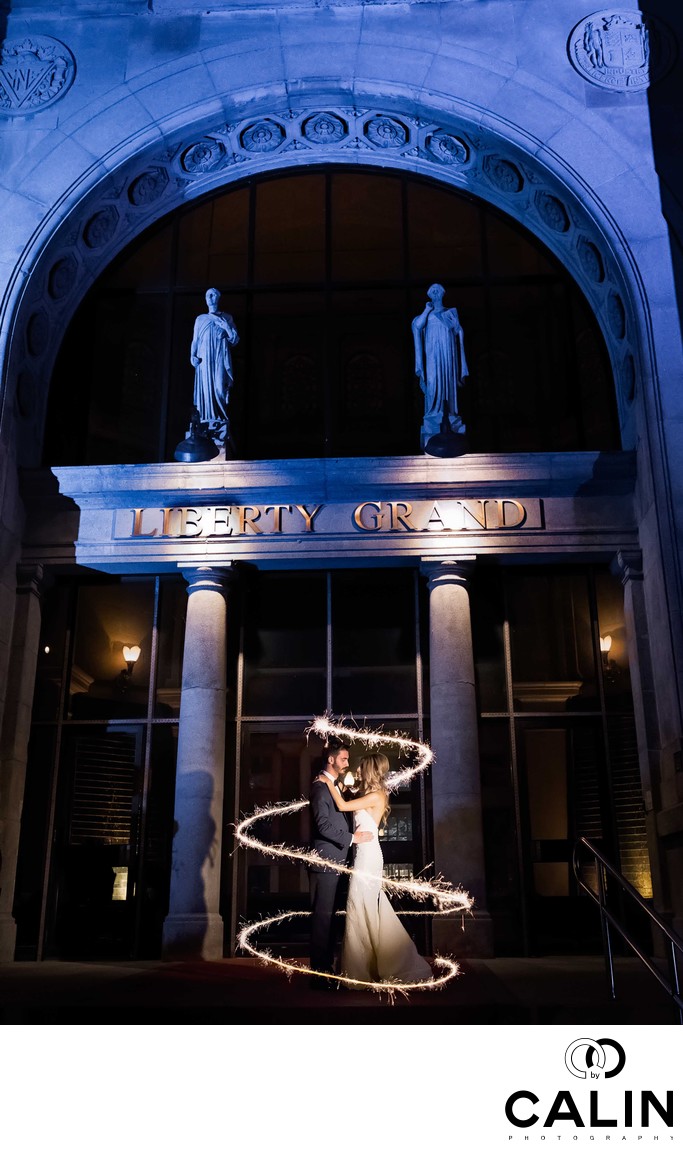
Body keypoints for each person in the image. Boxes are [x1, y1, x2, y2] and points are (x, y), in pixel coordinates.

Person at [321, 752, 432, 985]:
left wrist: (328, 783)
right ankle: (367, 966)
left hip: (368, 856)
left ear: (370, 770)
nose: (358, 771)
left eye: (362, 768)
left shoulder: (376, 795)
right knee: (363, 906)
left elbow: (342, 805)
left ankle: (368, 969)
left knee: (361, 904)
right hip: (364, 853)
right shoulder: (370, 794)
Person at [308, 738, 373, 986]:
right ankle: (319, 974)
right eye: (344, 759)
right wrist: (352, 838)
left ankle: (329, 968)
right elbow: (323, 825)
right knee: (322, 918)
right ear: (331, 759)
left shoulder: (334, 786)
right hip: (325, 863)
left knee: (333, 917)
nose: (347, 763)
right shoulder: (319, 787)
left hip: (340, 861)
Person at [412, 283, 468, 449]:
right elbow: (417, 326)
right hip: (432, 353)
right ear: (429, 295)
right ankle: (433, 412)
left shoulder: (450, 312)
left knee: (447, 380)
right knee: (433, 381)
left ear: (443, 294)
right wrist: (426, 310)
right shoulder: (427, 314)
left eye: (438, 291)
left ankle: (449, 412)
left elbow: (459, 331)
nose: (435, 294)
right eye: (432, 291)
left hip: (447, 353)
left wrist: (457, 328)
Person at [190, 287, 239, 446]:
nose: (210, 298)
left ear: (218, 298)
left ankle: (220, 420)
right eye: (207, 295)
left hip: (219, 357)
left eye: (213, 295)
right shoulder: (200, 319)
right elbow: (195, 340)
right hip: (204, 358)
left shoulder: (226, 317)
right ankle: (205, 420)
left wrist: (225, 327)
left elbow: (235, 339)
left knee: (219, 387)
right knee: (206, 390)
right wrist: (192, 355)